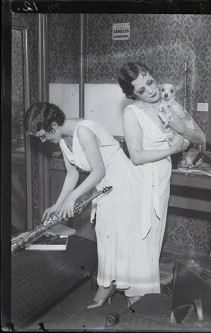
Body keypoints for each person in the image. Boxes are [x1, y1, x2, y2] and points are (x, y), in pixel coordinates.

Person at [23, 101, 131, 309]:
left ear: (53, 126)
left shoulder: (84, 131)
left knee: (115, 234)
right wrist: (58, 204)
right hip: (104, 185)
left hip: (122, 182)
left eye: (43, 135)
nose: (43, 141)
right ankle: (109, 284)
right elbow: (72, 173)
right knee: (105, 233)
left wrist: (73, 198)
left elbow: (99, 171)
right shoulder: (63, 139)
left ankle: (119, 287)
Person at [118, 62, 206, 305]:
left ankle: (146, 300)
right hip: (141, 181)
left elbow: (200, 137)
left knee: (154, 236)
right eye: (141, 90)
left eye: (149, 81)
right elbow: (136, 156)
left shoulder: (171, 105)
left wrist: (179, 126)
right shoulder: (131, 113)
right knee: (140, 239)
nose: (150, 90)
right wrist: (173, 148)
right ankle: (136, 302)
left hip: (161, 180)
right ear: (132, 94)